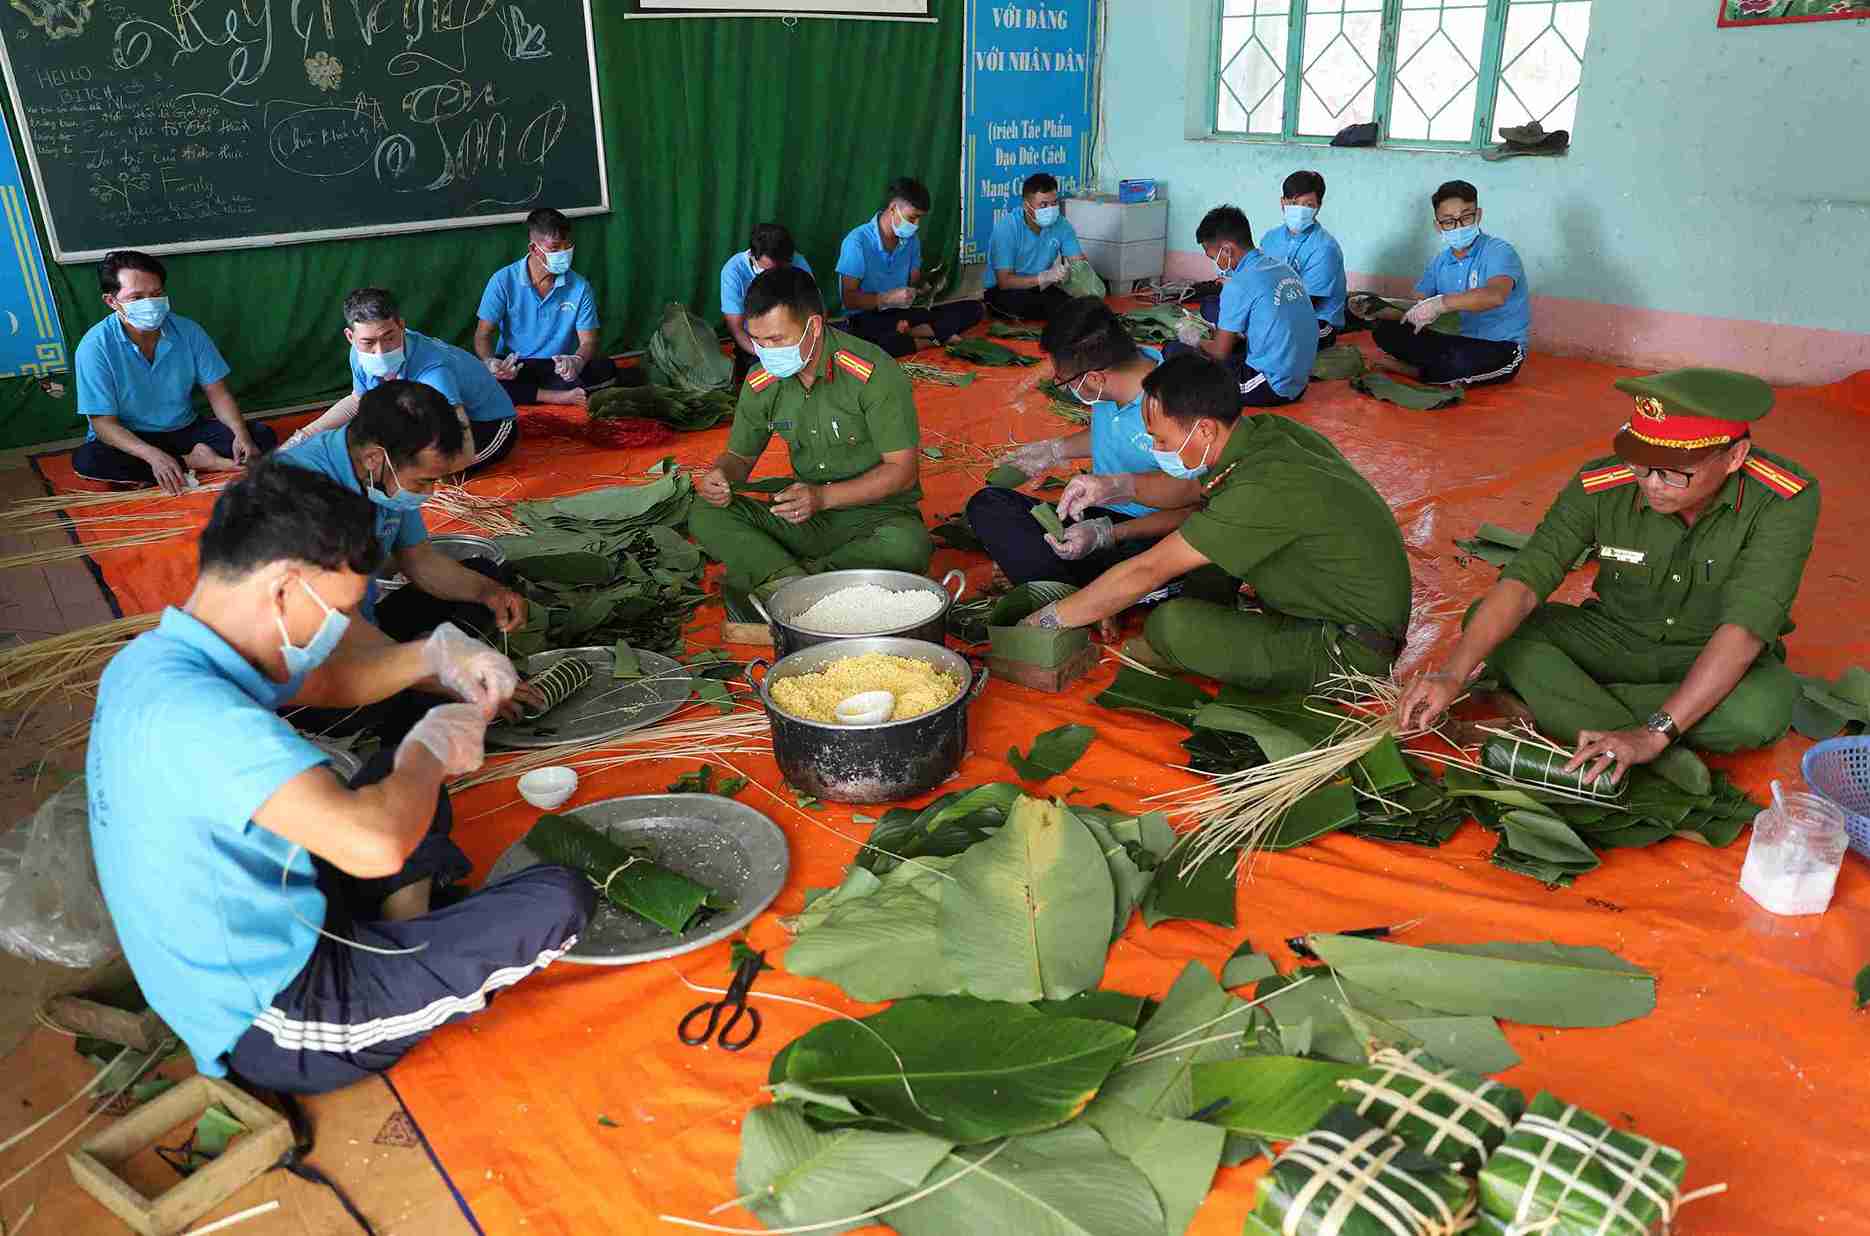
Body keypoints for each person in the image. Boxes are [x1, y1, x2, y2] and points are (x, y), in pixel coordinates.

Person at [86, 462, 591, 1093]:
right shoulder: (200, 718)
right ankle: (401, 957)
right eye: (343, 611)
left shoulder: (160, 660)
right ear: (284, 589)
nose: (340, 632)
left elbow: (333, 681)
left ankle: (403, 936)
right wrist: (432, 750)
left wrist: (438, 653)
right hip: (274, 1018)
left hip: (257, 925)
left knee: (391, 768)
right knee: (559, 898)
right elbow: (374, 844)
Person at [1398, 368, 1817, 794]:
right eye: (1641, 465)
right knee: (1489, 625)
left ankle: (1563, 709)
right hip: (1610, 640)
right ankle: (1629, 726)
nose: (1652, 485)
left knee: (1762, 711)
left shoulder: (1783, 500)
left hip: (1709, 653)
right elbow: (1524, 583)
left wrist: (1653, 733)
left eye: (1674, 473)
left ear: (1733, 456)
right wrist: (1451, 674)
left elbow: (1744, 631)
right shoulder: (1600, 484)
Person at [1022, 354, 1411, 692]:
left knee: (1169, 626)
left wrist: (1051, 618)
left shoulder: (1263, 488)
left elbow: (1148, 569)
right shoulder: (1268, 435)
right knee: (1202, 563)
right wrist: (1114, 487)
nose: (1157, 452)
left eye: (1161, 440)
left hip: (1349, 647)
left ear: (1204, 429)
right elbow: (1190, 489)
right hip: (1340, 602)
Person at [692, 266, 932, 596]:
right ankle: (800, 581)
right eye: (758, 341)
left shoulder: (872, 373)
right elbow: (739, 457)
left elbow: (902, 472)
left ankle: (786, 577)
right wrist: (720, 475)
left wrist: (823, 498)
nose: (766, 352)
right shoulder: (761, 383)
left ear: (814, 326)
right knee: (705, 511)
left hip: (877, 514)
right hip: (803, 510)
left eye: (777, 339)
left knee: (909, 548)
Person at [276, 381, 529, 643]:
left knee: (485, 578)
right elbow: (319, 633)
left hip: (360, 622)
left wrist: (491, 593)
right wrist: (422, 666)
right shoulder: (297, 494)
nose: (431, 492)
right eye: (424, 481)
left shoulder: (384, 476)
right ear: (374, 458)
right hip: (306, 652)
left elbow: (420, 561)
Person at [967, 298, 1169, 586]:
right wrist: (1054, 450)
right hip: (1096, 513)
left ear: (1096, 379)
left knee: (1145, 565)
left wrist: (1107, 534)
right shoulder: (1119, 376)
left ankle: (1064, 586)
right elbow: (1113, 435)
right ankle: (1058, 576)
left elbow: (1193, 507)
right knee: (988, 504)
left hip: (1147, 532)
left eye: (1064, 381)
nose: (1064, 387)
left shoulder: (1174, 402)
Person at [72, 249, 276, 494]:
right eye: (137, 298)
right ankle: (195, 462)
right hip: (132, 437)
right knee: (89, 461)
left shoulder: (188, 331)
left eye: (156, 294)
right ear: (111, 302)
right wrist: (151, 455)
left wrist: (240, 434)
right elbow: (104, 425)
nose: (150, 304)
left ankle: (174, 463)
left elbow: (217, 392)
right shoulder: (95, 347)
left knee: (260, 436)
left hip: (185, 429)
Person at [284, 288, 519, 472]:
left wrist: (444, 468)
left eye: (389, 338)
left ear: (401, 326)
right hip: (423, 418)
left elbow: (457, 427)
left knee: (412, 469)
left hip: (486, 424)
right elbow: (358, 401)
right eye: (368, 342)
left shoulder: (433, 369)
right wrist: (300, 438)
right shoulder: (358, 354)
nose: (380, 351)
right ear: (351, 337)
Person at [1370, 180, 1530, 387]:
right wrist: (1376, 307)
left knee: (1459, 360)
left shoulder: (1498, 251)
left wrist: (1441, 303)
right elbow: (1418, 306)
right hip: (1453, 341)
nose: (1458, 226)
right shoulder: (1441, 261)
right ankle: (1434, 369)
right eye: (1448, 221)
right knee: (1386, 330)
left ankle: (1416, 370)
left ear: (1478, 216)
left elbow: (1495, 296)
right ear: (1438, 226)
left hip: (1499, 346)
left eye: (1466, 217)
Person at [1168, 206, 1316, 407]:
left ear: (1227, 249)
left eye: (1214, 257)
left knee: (1174, 350)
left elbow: (1219, 352)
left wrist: (1194, 341)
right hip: (1299, 380)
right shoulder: (1282, 268)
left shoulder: (1238, 285)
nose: (1217, 264)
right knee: (1225, 330)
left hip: (1270, 387)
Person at [474, 207, 618, 407]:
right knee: (483, 379)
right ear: (534, 249)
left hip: (557, 367)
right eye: (555, 248)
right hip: (515, 366)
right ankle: (556, 397)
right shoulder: (503, 280)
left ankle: (533, 394)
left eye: (568, 247)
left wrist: (576, 361)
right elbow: (483, 335)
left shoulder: (579, 286)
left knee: (606, 367)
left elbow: (589, 341)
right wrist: (490, 362)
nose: (564, 254)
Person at [836, 176, 983, 359]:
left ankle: (911, 333)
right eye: (912, 218)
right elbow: (849, 299)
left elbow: (914, 283)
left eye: (919, 219)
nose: (916, 225)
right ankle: (926, 338)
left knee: (974, 308)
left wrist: (927, 285)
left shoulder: (911, 241)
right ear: (892, 209)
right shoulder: (857, 242)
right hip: (866, 318)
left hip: (900, 314)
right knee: (866, 342)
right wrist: (885, 299)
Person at [1255, 170, 1348, 350]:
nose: (1299, 210)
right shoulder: (1270, 238)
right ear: (1283, 203)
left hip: (1316, 319)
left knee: (1272, 339)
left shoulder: (1325, 248)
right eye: (1293, 203)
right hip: (1276, 309)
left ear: (1318, 207)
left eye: (1307, 205)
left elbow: (1307, 304)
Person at [983, 172, 1089, 322]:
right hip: (1004, 290)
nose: (1051, 209)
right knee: (1033, 307)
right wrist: (1043, 277)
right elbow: (1004, 281)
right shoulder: (1006, 228)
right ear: (1027, 206)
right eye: (1044, 205)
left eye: (1054, 203)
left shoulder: (1062, 225)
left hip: (1041, 287)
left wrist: (1073, 273)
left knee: (1075, 306)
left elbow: (1078, 262)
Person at [723, 222, 815, 387]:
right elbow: (736, 330)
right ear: (753, 255)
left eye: (778, 269)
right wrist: (768, 354)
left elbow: (816, 309)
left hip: (794, 340)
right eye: (766, 269)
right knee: (761, 387)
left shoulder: (797, 262)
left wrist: (803, 348)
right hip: (756, 344)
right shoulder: (733, 271)